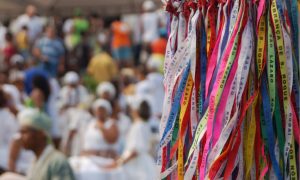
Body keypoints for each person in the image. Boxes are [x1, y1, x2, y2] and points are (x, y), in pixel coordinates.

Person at [9, 108, 75, 179]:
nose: (21, 137)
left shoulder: (57, 162)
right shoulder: (34, 162)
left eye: (25, 132)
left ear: (40, 134)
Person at [105, 97, 158, 180]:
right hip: (140, 162)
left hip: (138, 165)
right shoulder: (142, 124)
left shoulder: (138, 126)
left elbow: (135, 151)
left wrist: (120, 162)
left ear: (135, 111)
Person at [69, 99, 122, 180]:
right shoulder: (90, 123)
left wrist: (101, 126)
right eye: (98, 110)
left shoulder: (112, 123)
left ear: (107, 111)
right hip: (88, 158)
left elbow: (111, 139)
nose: (100, 112)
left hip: (104, 160)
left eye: (102, 110)